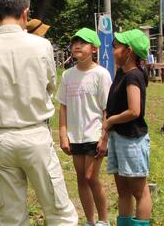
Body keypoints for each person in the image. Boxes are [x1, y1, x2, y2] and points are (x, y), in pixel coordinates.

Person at [0, 0, 78, 226]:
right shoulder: (42, 46)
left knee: (11, 217)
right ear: (26, 12)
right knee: (59, 213)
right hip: (34, 134)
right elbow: (50, 85)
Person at [57, 28, 112, 226]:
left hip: (94, 133)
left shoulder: (101, 75)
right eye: (75, 42)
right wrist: (63, 134)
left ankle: (103, 220)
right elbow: (63, 106)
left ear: (94, 49)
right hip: (75, 135)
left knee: (91, 177)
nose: (77, 45)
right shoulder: (67, 75)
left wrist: (104, 137)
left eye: (83, 42)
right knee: (81, 178)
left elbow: (107, 110)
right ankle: (90, 220)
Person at [104, 29, 152, 226]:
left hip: (131, 140)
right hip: (118, 137)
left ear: (129, 51)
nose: (113, 50)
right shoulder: (121, 73)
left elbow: (134, 111)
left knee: (140, 192)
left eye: (116, 47)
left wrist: (111, 120)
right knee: (123, 191)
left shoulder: (133, 76)